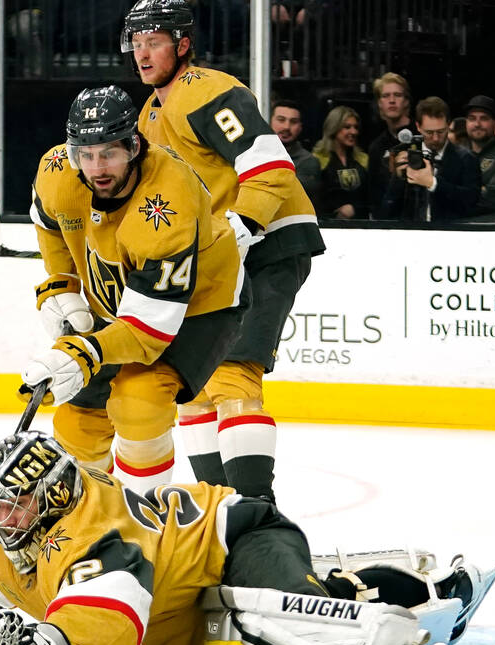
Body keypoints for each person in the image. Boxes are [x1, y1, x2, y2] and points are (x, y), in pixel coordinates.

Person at [0, 430, 495, 645]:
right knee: (260, 622)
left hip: (241, 536)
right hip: (187, 588)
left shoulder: (99, 544)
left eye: (13, 507)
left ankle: (427, 595)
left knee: (295, 615)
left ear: (54, 498)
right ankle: (347, 584)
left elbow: (102, 617)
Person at [124, 0, 325, 502]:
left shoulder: (208, 90)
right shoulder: (150, 114)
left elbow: (271, 165)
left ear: (183, 45)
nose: (142, 54)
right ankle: (224, 512)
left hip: (268, 240)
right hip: (221, 256)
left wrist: (241, 225)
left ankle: (258, 517)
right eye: (136, 43)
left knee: (233, 373)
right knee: (194, 386)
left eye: (154, 42)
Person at [24, 84, 247, 497]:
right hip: (121, 305)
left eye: (109, 152)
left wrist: (82, 352)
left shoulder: (166, 200)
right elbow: (48, 221)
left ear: (134, 146)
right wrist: (62, 284)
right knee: (77, 422)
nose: (97, 167)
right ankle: (87, 517)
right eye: (85, 155)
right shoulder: (57, 172)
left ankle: (140, 521)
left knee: (138, 401)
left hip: (201, 303)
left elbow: (148, 331)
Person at [379, 96, 480, 222]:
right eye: (429, 132)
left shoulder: (467, 159)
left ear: (449, 125)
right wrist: (398, 179)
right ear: (418, 126)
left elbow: (472, 202)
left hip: (449, 235)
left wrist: (433, 183)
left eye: (441, 131)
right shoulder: (405, 155)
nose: (436, 138)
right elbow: (385, 211)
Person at [365, 71, 416, 218]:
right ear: (379, 103)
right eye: (386, 96)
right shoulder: (376, 147)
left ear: (406, 101)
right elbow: (374, 198)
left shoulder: (423, 136)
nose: (392, 100)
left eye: (397, 95)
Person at [312, 105, 369, 219]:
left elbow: (371, 196)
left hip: (361, 225)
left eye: (356, 127)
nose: (353, 132)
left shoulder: (363, 160)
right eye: (347, 127)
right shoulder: (317, 159)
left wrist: (355, 208)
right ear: (334, 127)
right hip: (328, 225)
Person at [462, 95, 495, 221]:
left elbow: (494, 199)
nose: (477, 124)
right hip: (456, 227)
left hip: (492, 228)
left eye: (484, 119)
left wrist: (456, 191)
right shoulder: (457, 155)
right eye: (472, 118)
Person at [269, 99, 319, 203]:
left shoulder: (308, 161)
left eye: (293, 122)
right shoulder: (254, 153)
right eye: (281, 120)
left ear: (300, 127)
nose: (286, 127)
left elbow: (289, 193)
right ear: (269, 121)